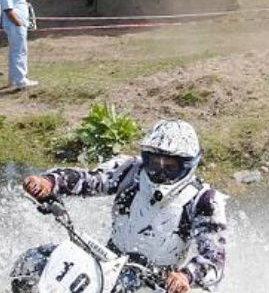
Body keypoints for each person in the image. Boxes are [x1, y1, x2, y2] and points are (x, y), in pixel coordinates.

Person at [18, 120, 227, 293]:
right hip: (107, 263)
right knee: (34, 262)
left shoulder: (205, 200)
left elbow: (213, 258)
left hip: (157, 283)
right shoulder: (130, 169)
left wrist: (186, 276)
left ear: (188, 165)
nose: (160, 173)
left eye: (170, 167)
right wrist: (50, 182)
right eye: (155, 164)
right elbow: (89, 179)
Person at [0, 0, 38, 90]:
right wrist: (18, 22)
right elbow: (8, 9)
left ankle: (13, 79)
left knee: (16, 51)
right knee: (19, 51)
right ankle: (21, 79)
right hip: (15, 25)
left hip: (22, 22)